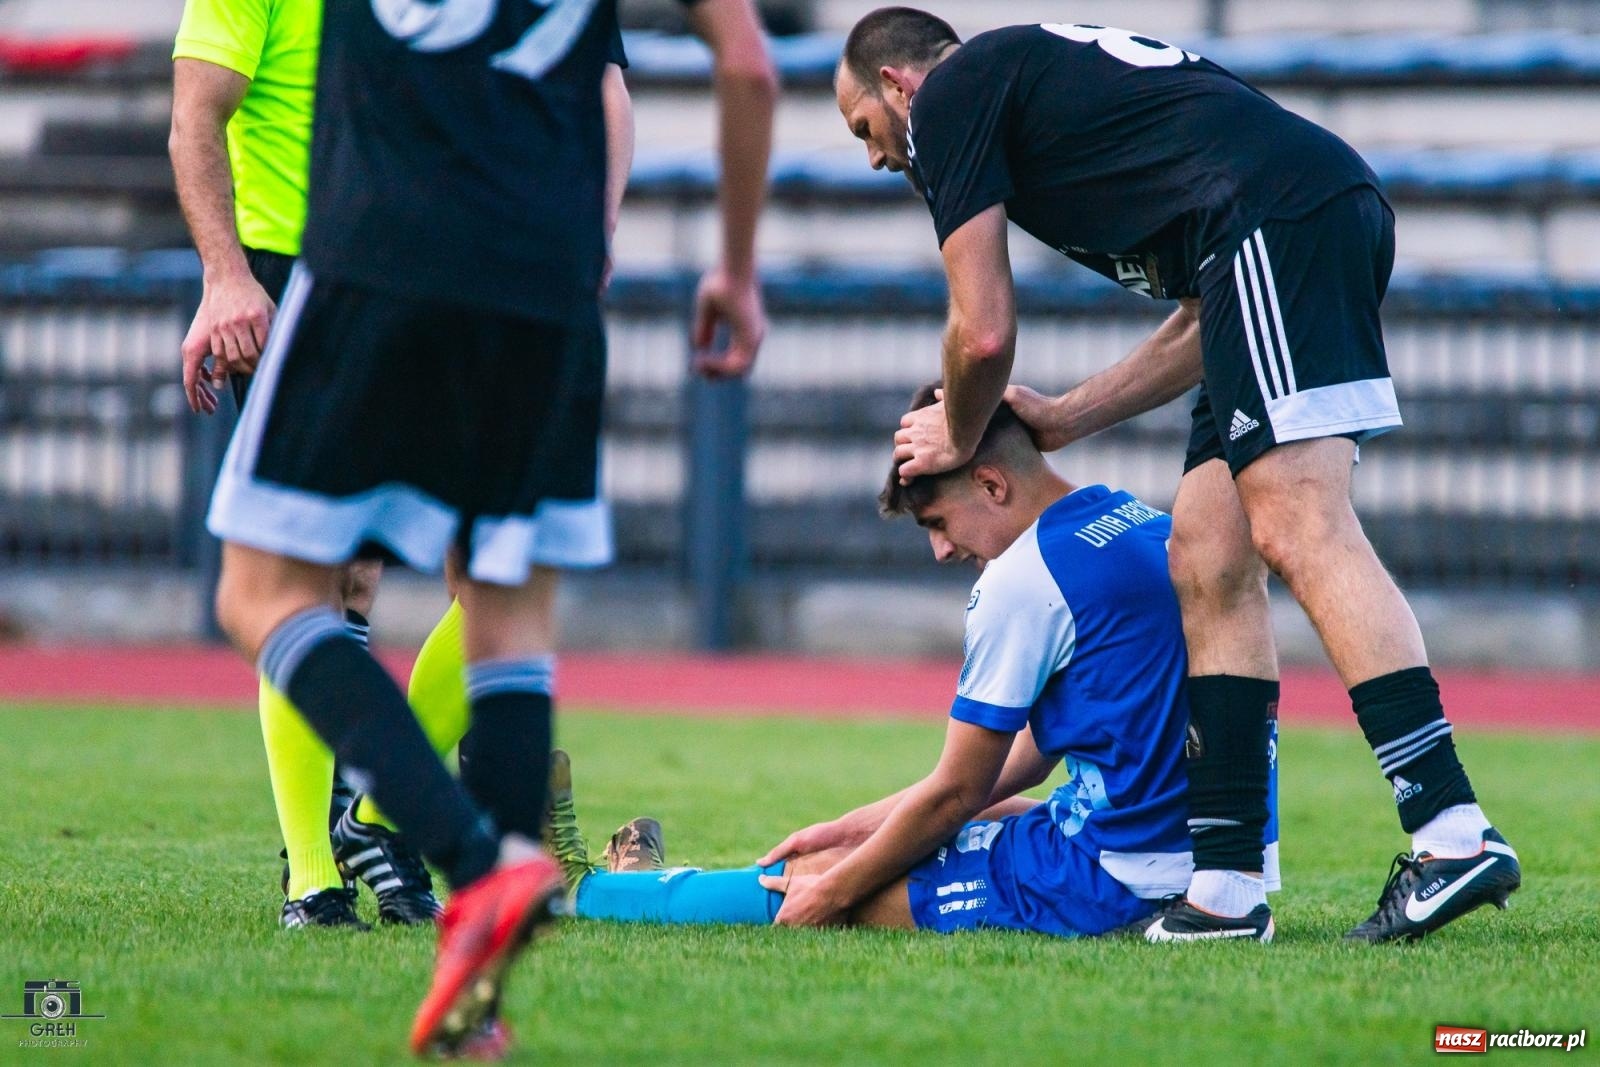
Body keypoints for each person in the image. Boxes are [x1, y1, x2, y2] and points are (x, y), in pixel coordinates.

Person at [837, 8, 1519, 943]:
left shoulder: (950, 98)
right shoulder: (1032, 94)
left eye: (865, 130)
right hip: (1271, 238)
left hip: (1276, 228)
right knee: (1205, 557)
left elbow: (983, 329)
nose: (875, 157)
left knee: (1299, 525)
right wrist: (1071, 415)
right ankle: (1226, 891)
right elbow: (1206, 320)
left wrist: (958, 430)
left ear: (898, 87)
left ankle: (1449, 829)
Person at [202, 0, 775, 1056]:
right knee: (508, 605)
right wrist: (734, 268)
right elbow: (745, 66)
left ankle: (468, 854)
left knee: (261, 592)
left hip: (374, 254)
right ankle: (482, 996)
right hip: (543, 279)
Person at [169, 0, 635, 931]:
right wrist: (227, 276)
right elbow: (198, 112)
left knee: (409, 579)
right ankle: (322, 872)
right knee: (393, 577)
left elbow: (612, 92)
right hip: (329, 271)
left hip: (417, 265)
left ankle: (385, 819)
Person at [544, 386, 1281, 938]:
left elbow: (958, 792)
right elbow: (1016, 764)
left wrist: (833, 884)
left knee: (810, 884)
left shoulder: (1025, 578)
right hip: (1202, 855)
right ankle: (641, 883)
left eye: (937, 521)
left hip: (1114, 878)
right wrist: (848, 825)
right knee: (871, 847)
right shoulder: (1136, 520)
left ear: (992, 483)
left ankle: (581, 889)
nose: (940, 549)